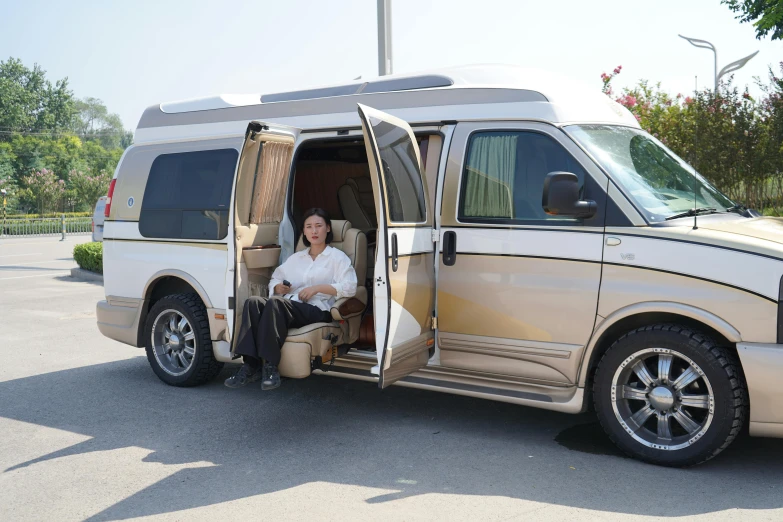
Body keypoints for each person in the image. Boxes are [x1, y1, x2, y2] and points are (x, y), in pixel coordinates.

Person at [225, 208, 358, 390]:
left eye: (319, 226)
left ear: (327, 228)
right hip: (291, 305)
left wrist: (316, 288)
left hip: (318, 309)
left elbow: (350, 287)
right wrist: (278, 287)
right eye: (309, 227)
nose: (314, 231)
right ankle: (250, 365)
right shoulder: (297, 258)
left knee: (276, 303)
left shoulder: (337, 258)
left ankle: (270, 366)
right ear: (303, 231)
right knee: (254, 302)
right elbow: (276, 278)